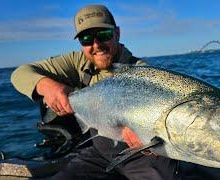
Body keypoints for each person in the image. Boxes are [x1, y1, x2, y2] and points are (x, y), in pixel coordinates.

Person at [11, 4, 179, 180]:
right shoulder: (78, 62)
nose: (96, 45)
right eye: (86, 39)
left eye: (104, 35)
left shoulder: (142, 72)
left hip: (141, 154)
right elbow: (20, 74)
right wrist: (47, 85)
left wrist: (143, 133)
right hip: (99, 152)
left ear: (117, 33)